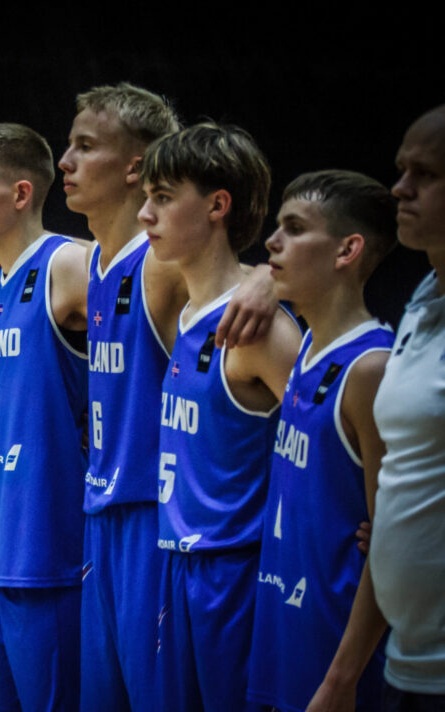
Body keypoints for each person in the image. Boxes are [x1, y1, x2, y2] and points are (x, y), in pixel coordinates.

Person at [59, 84, 278, 712]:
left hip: (161, 521)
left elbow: (226, 265)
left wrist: (271, 276)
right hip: (103, 513)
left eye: (85, 146)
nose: (65, 161)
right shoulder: (93, 262)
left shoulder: (157, 265)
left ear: (134, 165)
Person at [137, 122, 303, 712]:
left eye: (162, 197)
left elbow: (332, 437)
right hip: (177, 561)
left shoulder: (262, 331)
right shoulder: (187, 311)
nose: (145, 214)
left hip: (237, 571)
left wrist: (358, 512)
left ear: (217, 205)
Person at [0, 123, 88, 710]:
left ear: (21, 194)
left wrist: (260, 278)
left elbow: (174, 297)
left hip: (52, 551)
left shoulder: (69, 264)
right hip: (2, 547)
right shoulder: (0, 279)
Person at [250, 169, 397, 711]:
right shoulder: (308, 343)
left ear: (347, 250)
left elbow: (392, 542)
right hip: (283, 627)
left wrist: (341, 679)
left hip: (338, 649)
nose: (272, 241)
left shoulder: (371, 369)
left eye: (294, 228)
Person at [369, 104, 445, 710]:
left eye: (426, 174)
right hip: (406, 658)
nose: (400, 187)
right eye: (401, 169)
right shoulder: (424, 296)